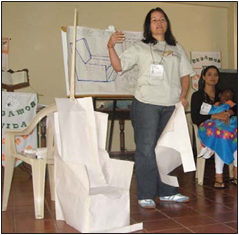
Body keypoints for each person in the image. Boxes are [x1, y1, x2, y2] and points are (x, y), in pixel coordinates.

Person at [107, 7, 195, 208]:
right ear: (149, 25)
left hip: (170, 106)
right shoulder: (140, 47)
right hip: (146, 104)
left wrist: (182, 96)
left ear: (167, 23)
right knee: (146, 149)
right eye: (154, 19)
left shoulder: (177, 47)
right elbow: (119, 66)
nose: (158, 22)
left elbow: (185, 75)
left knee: (167, 149)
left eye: (162, 19)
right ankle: (145, 194)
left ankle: (168, 192)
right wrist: (111, 47)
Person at [191, 66, 237, 188]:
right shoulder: (197, 95)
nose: (213, 77)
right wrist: (215, 116)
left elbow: (235, 108)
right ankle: (219, 176)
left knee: (235, 133)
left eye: (216, 75)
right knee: (221, 135)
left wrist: (227, 113)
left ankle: (236, 173)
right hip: (207, 128)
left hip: (225, 127)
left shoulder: (224, 94)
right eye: (209, 74)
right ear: (204, 77)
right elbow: (195, 117)